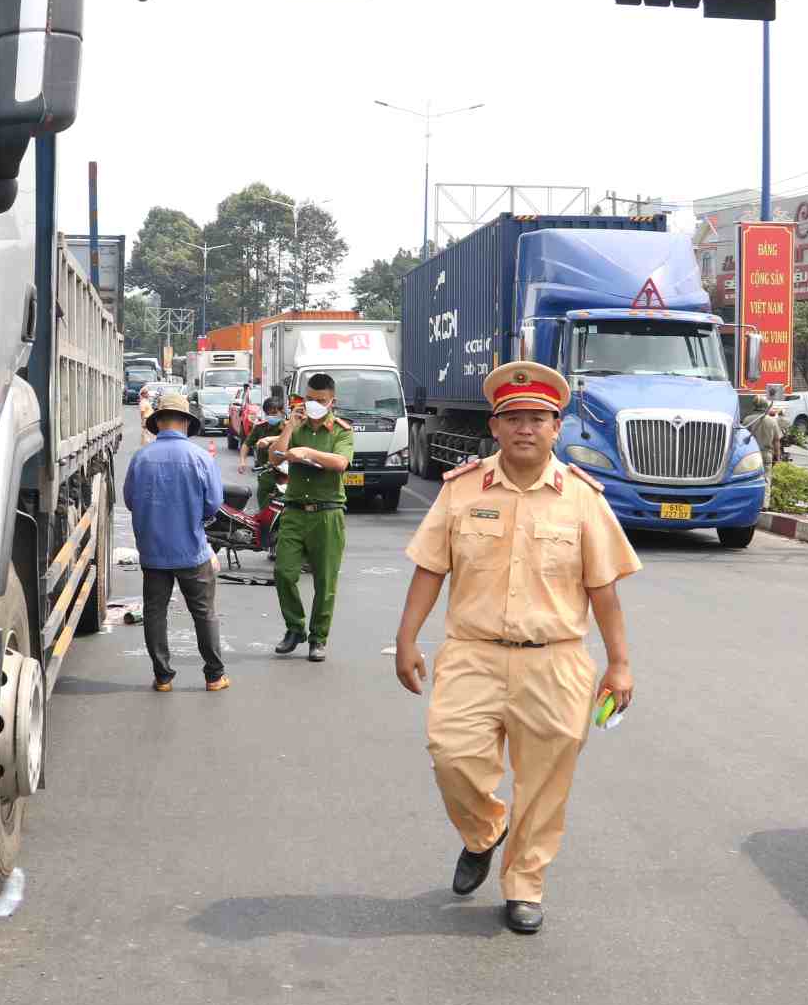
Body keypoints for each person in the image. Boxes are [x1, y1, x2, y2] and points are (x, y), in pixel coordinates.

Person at [391, 361, 641, 936]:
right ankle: (484, 833)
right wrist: (406, 637)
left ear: (557, 428)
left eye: (538, 418)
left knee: (545, 783)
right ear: (496, 428)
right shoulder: (462, 490)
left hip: (555, 661)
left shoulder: (582, 499)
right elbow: (431, 568)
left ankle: (524, 884)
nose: (526, 428)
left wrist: (620, 664)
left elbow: (603, 588)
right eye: (513, 418)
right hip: (473, 654)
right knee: (451, 755)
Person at [122, 393, 230, 693]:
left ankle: (163, 677)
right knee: (204, 613)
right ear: (185, 422)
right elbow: (213, 504)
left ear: (158, 422)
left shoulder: (141, 458)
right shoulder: (200, 458)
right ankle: (214, 676)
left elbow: (130, 501)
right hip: (192, 550)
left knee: (155, 612)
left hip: (153, 552)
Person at [269, 372, 353, 662]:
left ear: (332, 401)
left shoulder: (341, 431)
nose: (314, 404)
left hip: (327, 513)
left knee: (325, 582)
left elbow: (341, 463)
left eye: (320, 400)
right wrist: (290, 428)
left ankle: (318, 638)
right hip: (293, 511)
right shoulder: (297, 426)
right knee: (283, 572)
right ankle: (295, 628)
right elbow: (275, 457)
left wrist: (308, 452)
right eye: (310, 399)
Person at [238, 394, 288, 513]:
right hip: (265, 473)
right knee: (264, 510)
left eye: (275, 413)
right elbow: (246, 444)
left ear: (282, 412)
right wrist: (242, 461)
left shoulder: (288, 427)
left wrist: (270, 439)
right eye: (269, 413)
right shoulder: (260, 428)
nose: (272, 416)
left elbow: (290, 436)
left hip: (284, 476)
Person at [741, 395, 782, 470]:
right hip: (766, 455)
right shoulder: (772, 421)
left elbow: (742, 439)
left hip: (751, 455)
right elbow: (776, 441)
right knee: (766, 478)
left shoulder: (747, 420)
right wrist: (778, 457)